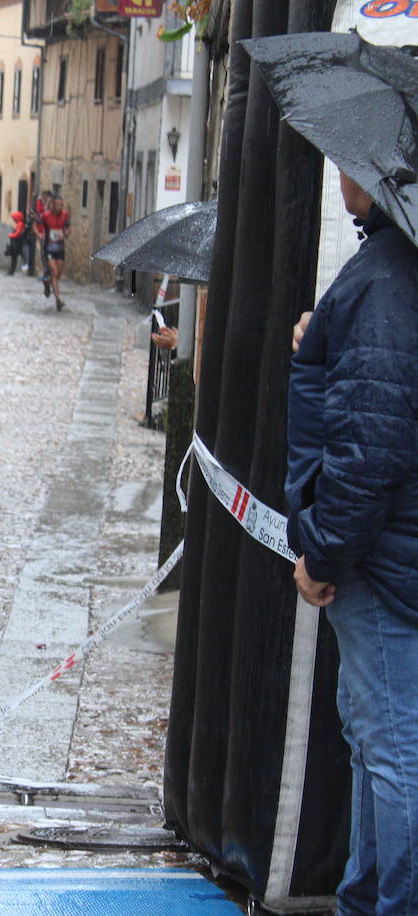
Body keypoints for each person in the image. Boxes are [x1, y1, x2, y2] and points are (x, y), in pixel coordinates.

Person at [287, 172, 418, 916]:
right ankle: (363, 901)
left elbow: (372, 441)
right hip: (394, 551)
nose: (340, 175)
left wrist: (324, 553)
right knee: (377, 746)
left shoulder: (390, 278)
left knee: (393, 754)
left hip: (380, 560)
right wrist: (328, 336)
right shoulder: (393, 271)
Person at [38, 195, 70, 311]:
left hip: (60, 248)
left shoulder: (65, 215)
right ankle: (58, 300)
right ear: (52, 205)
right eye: (57, 205)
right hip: (48, 248)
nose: (60, 207)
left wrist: (65, 234)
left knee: (58, 275)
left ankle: (47, 283)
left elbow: (68, 228)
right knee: (54, 271)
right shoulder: (45, 216)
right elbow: (35, 225)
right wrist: (39, 234)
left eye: (61, 205)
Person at [5, 210, 28, 276]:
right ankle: (11, 271)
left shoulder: (20, 224)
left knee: (14, 258)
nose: (13, 219)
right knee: (15, 258)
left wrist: (10, 235)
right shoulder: (19, 224)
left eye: (14, 218)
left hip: (17, 244)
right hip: (16, 243)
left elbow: (17, 234)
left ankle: (12, 271)